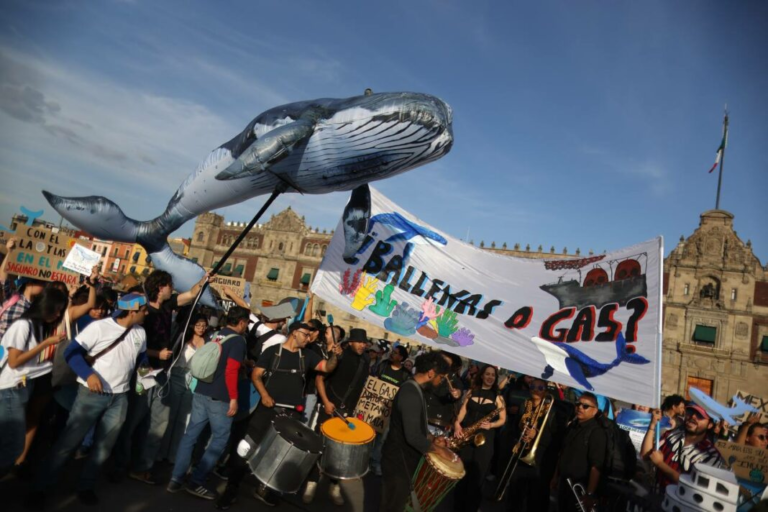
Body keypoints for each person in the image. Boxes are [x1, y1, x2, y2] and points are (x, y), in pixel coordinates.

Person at [27, 293, 149, 508]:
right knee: (68, 442)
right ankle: (41, 488)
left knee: (104, 447)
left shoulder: (140, 332)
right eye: (144, 309)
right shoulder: (99, 328)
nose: (147, 313)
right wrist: (88, 375)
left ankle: (86, 486)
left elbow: (141, 358)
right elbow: (72, 353)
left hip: (120, 397)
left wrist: (147, 371)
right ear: (132, 311)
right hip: (91, 395)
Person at [216, 321, 341, 509]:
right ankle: (231, 489)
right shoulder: (273, 351)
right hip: (266, 411)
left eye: (309, 335)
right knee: (246, 449)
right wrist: (265, 395)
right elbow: (256, 375)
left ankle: (264, 489)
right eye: (305, 335)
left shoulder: (307, 355)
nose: (309, 338)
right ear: (294, 333)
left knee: (277, 455)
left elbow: (327, 367)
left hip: (290, 416)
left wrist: (334, 357)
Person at [112, 270, 209, 484]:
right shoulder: (142, 310)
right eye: (169, 285)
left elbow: (191, 295)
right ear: (159, 287)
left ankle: (143, 467)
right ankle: (119, 464)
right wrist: (156, 354)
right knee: (134, 419)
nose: (172, 289)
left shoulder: (167, 305)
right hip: (143, 372)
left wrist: (203, 281)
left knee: (159, 422)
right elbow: (131, 345)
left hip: (162, 374)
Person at [166, 306, 249, 500]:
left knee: (190, 435)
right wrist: (234, 398)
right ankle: (197, 480)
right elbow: (230, 371)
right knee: (219, 439)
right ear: (242, 322)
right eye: (246, 323)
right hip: (220, 397)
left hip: (202, 390)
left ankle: (176, 478)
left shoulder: (217, 335)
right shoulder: (238, 341)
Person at [0, 287, 68, 474]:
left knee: (10, 441)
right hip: (10, 388)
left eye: (61, 311)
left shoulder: (37, 326)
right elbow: (14, 362)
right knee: (13, 444)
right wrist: (46, 344)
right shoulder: (23, 325)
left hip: (21, 386)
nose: (57, 314)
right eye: (55, 309)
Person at [380, 351, 457, 512]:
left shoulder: (417, 390)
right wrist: (439, 451)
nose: (441, 381)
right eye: (441, 377)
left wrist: (432, 438)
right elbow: (413, 436)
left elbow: (417, 426)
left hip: (403, 460)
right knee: (392, 507)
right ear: (431, 373)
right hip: (398, 462)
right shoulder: (410, 393)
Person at [303, 328, 371, 506]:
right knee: (320, 445)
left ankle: (334, 485)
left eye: (365, 342)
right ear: (350, 342)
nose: (363, 345)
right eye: (360, 341)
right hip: (329, 408)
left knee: (340, 452)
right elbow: (319, 380)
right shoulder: (339, 356)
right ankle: (311, 482)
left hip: (347, 412)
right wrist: (326, 402)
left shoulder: (366, 360)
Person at [501, 377, 564, 512]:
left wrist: (536, 436)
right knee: (515, 493)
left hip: (540, 458)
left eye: (540, 388)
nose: (536, 390)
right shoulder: (525, 405)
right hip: (521, 453)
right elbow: (515, 426)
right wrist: (521, 431)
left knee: (536, 498)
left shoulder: (552, 411)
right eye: (533, 387)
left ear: (546, 391)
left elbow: (556, 439)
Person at [452, 364, 506, 512]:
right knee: (463, 472)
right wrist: (457, 424)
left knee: (478, 474)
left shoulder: (498, 396)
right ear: (482, 375)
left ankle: (471, 507)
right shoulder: (472, 391)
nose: (490, 377)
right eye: (487, 374)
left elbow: (503, 419)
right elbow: (463, 411)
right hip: (467, 435)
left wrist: (491, 425)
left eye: (493, 375)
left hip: (485, 438)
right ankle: (458, 506)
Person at [157, 314, 209, 464]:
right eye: (198, 325)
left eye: (203, 325)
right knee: (170, 416)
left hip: (194, 379)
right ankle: (161, 452)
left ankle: (174, 455)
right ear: (192, 325)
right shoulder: (183, 338)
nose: (201, 328)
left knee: (183, 419)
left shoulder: (208, 342)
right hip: (177, 376)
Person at [642, 403, 725, 492]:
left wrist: (660, 464)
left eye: (699, 416)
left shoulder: (712, 455)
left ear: (710, 425)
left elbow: (696, 486)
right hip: (653, 496)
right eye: (690, 412)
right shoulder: (671, 435)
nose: (693, 417)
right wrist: (652, 425)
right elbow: (645, 456)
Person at [553, 392, 607, 512]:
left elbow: (596, 467)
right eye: (578, 404)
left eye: (585, 406)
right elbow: (562, 452)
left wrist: (589, 494)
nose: (580, 408)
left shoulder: (597, 432)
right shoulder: (573, 425)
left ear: (595, 410)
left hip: (580, 489)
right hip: (564, 484)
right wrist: (555, 476)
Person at [425, 352, 463, 437]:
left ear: (451, 363)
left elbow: (458, 391)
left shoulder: (454, 379)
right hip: (421, 417)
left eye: (445, 360)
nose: (441, 361)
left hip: (437, 425)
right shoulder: (430, 372)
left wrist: (456, 393)